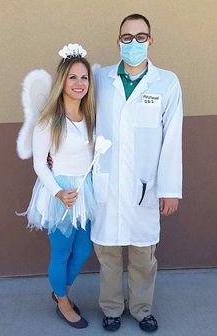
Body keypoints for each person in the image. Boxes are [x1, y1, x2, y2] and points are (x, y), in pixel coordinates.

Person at [92, 13, 183, 333]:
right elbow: (78, 118)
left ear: (151, 41)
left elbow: (172, 139)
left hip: (145, 184)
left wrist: (170, 189)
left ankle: (142, 308)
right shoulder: (100, 78)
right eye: (127, 38)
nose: (134, 43)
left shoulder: (167, 82)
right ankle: (112, 308)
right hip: (107, 182)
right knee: (108, 253)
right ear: (118, 42)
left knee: (144, 255)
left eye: (140, 37)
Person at [18, 44, 95, 329]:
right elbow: (40, 163)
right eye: (72, 77)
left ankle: (59, 288)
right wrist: (58, 193)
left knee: (84, 249)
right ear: (62, 80)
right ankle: (63, 300)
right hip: (60, 191)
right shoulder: (49, 120)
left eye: (84, 77)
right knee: (61, 251)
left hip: (85, 191)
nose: (79, 83)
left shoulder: (90, 115)